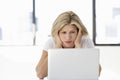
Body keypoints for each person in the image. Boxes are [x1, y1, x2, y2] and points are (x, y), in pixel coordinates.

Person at [35, 11, 102, 80]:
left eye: (72, 32)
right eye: (64, 32)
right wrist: (57, 46)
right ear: (57, 33)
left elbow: (97, 73)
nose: (68, 37)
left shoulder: (86, 41)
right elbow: (40, 74)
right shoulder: (51, 42)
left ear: (79, 32)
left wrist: (79, 46)